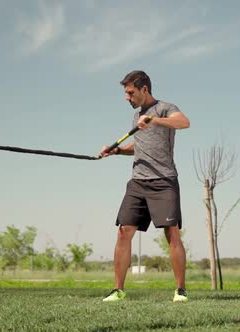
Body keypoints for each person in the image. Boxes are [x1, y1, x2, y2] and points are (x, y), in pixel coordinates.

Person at [100, 70, 190, 302]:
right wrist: (117, 150)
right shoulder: (136, 117)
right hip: (138, 182)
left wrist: (154, 120)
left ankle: (180, 290)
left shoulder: (165, 108)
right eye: (126, 93)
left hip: (163, 180)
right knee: (123, 232)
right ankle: (118, 290)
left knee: (172, 233)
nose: (127, 98)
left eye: (130, 93)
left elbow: (184, 122)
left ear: (144, 89)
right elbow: (139, 146)